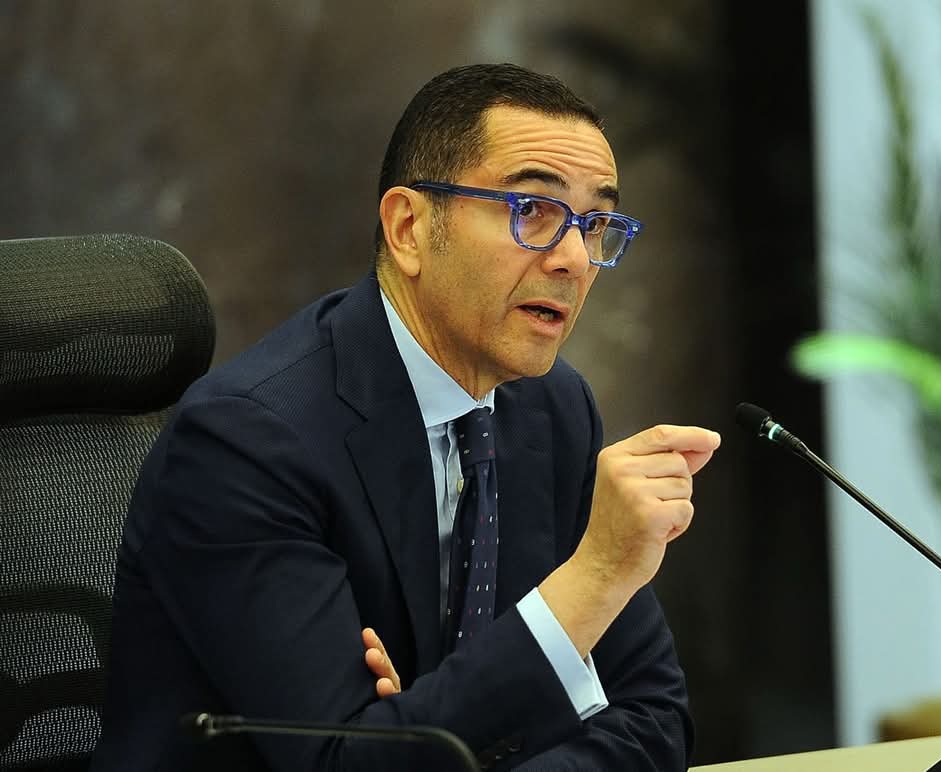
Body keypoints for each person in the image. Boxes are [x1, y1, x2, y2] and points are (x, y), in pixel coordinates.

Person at [91, 63, 721, 771]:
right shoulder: (247, 442)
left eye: (595, 223)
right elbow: (345, 765)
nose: (576, 259)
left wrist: (429, 733)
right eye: (532, 211)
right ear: (409, 228)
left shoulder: (553, 409)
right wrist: (593, 579)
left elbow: (654, 721)